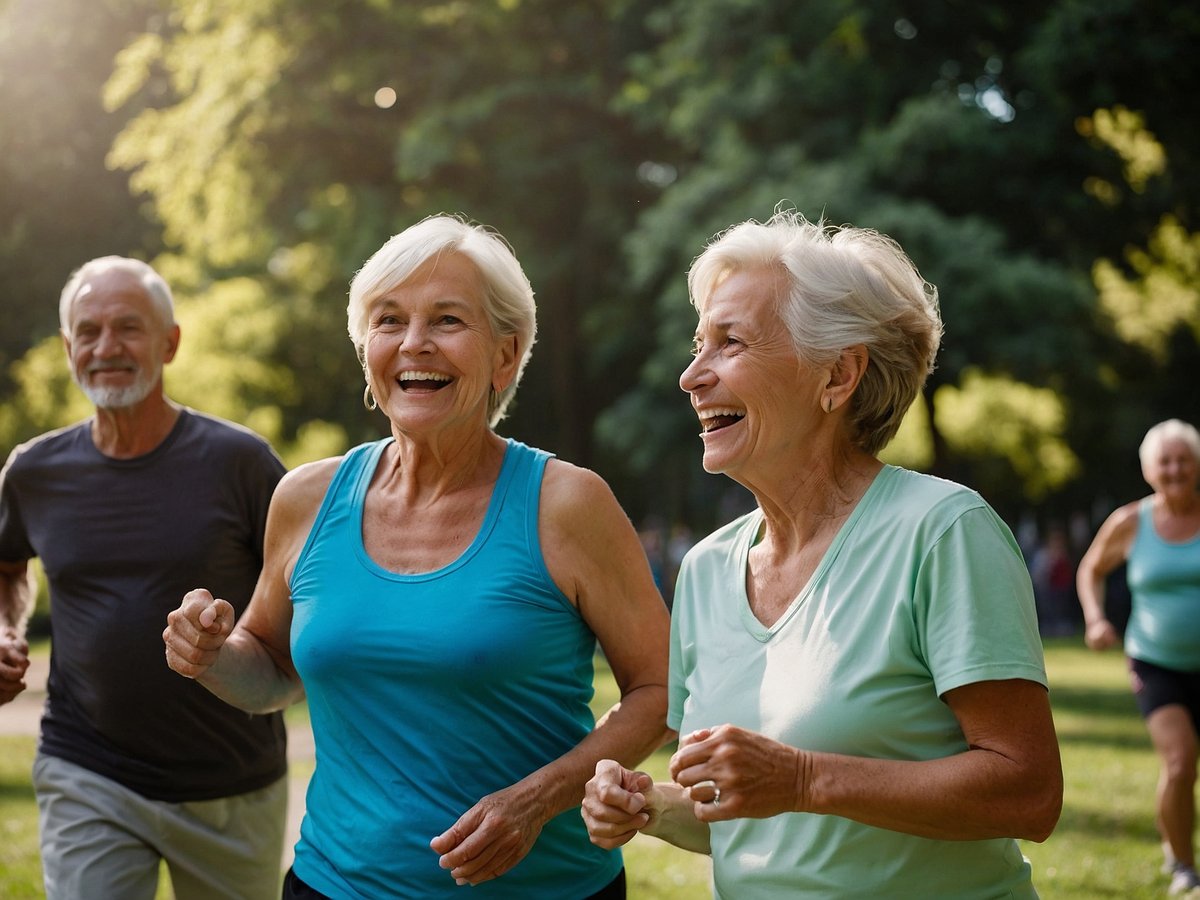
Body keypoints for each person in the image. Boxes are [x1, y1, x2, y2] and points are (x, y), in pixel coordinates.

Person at [162, 214, 671, 899]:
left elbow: (662, 689)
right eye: (389, 319)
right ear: (365, 347)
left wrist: (537, 800)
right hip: (334, 883)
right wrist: (211, 655)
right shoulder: (307, 498)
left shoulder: (567, 505)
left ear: (506, 354)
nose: (414, 344)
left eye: (448, 320)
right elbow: (274, 668)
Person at [582, 210, 1063, 898]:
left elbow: (1029, 792)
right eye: (698, 346)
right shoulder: (708, 569)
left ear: (836, 376)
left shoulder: (942, 530)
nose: (691, 376)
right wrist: (650, 805)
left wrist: (806, 778)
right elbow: (760, 819)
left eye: (730, 344)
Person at [0, 257, 289, 899]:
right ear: (68, 347)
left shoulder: (241, 463)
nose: (107, 348)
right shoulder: (33, 472)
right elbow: (7, 566)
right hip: (87, 769)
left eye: (128, 327)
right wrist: (3, 630)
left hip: (231, 781)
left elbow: (305, 587)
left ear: (170, 342)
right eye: (88, 331)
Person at [1076, 418, 1200, 898]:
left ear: (1195, 465)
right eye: (1164, 461)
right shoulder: (1132, 522)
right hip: (1155, 662)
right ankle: (1184, 866)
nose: (1174, 469)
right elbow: (1091, 568)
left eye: (1183, 459)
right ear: (1150, 470)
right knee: (1181, 760)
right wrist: (1094, 618)